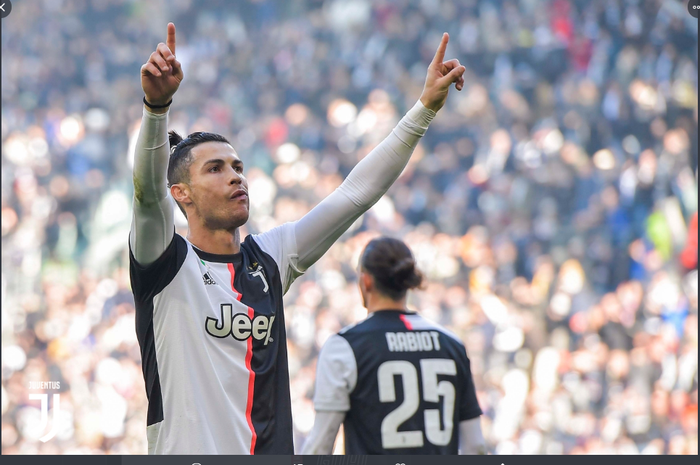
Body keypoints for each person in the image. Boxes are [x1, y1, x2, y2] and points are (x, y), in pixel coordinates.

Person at [129, 23, 466, 455]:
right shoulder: (164, 262)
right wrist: (156, 110)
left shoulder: (269, 258)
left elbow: (354, 194)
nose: (235, 176)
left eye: (237, 166)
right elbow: (145, 193)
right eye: (215, 169)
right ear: (181, 194)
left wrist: (424, 110)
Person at [302, 237, 485, 455]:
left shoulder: (345, 346)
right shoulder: (451, 344)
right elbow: (475, 446)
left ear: (366, 281)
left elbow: (321, 444)